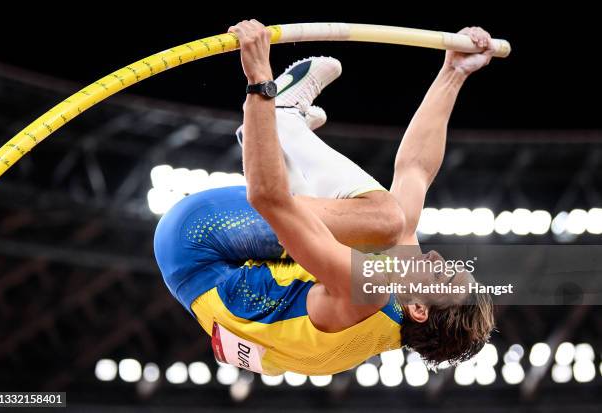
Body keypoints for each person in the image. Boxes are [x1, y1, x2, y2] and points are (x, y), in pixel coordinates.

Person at [154, 19, 495, 376]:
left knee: (386, 221)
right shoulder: (386, 316)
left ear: (419, 310)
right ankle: (278, 143)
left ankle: (283, 120)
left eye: (442, 276)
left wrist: (260, 85)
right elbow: (416, 171)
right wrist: (454, 73)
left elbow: (268, 200)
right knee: (394, 227)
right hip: (213, 284)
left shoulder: (370, 292)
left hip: (196, 240)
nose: (438, 257)